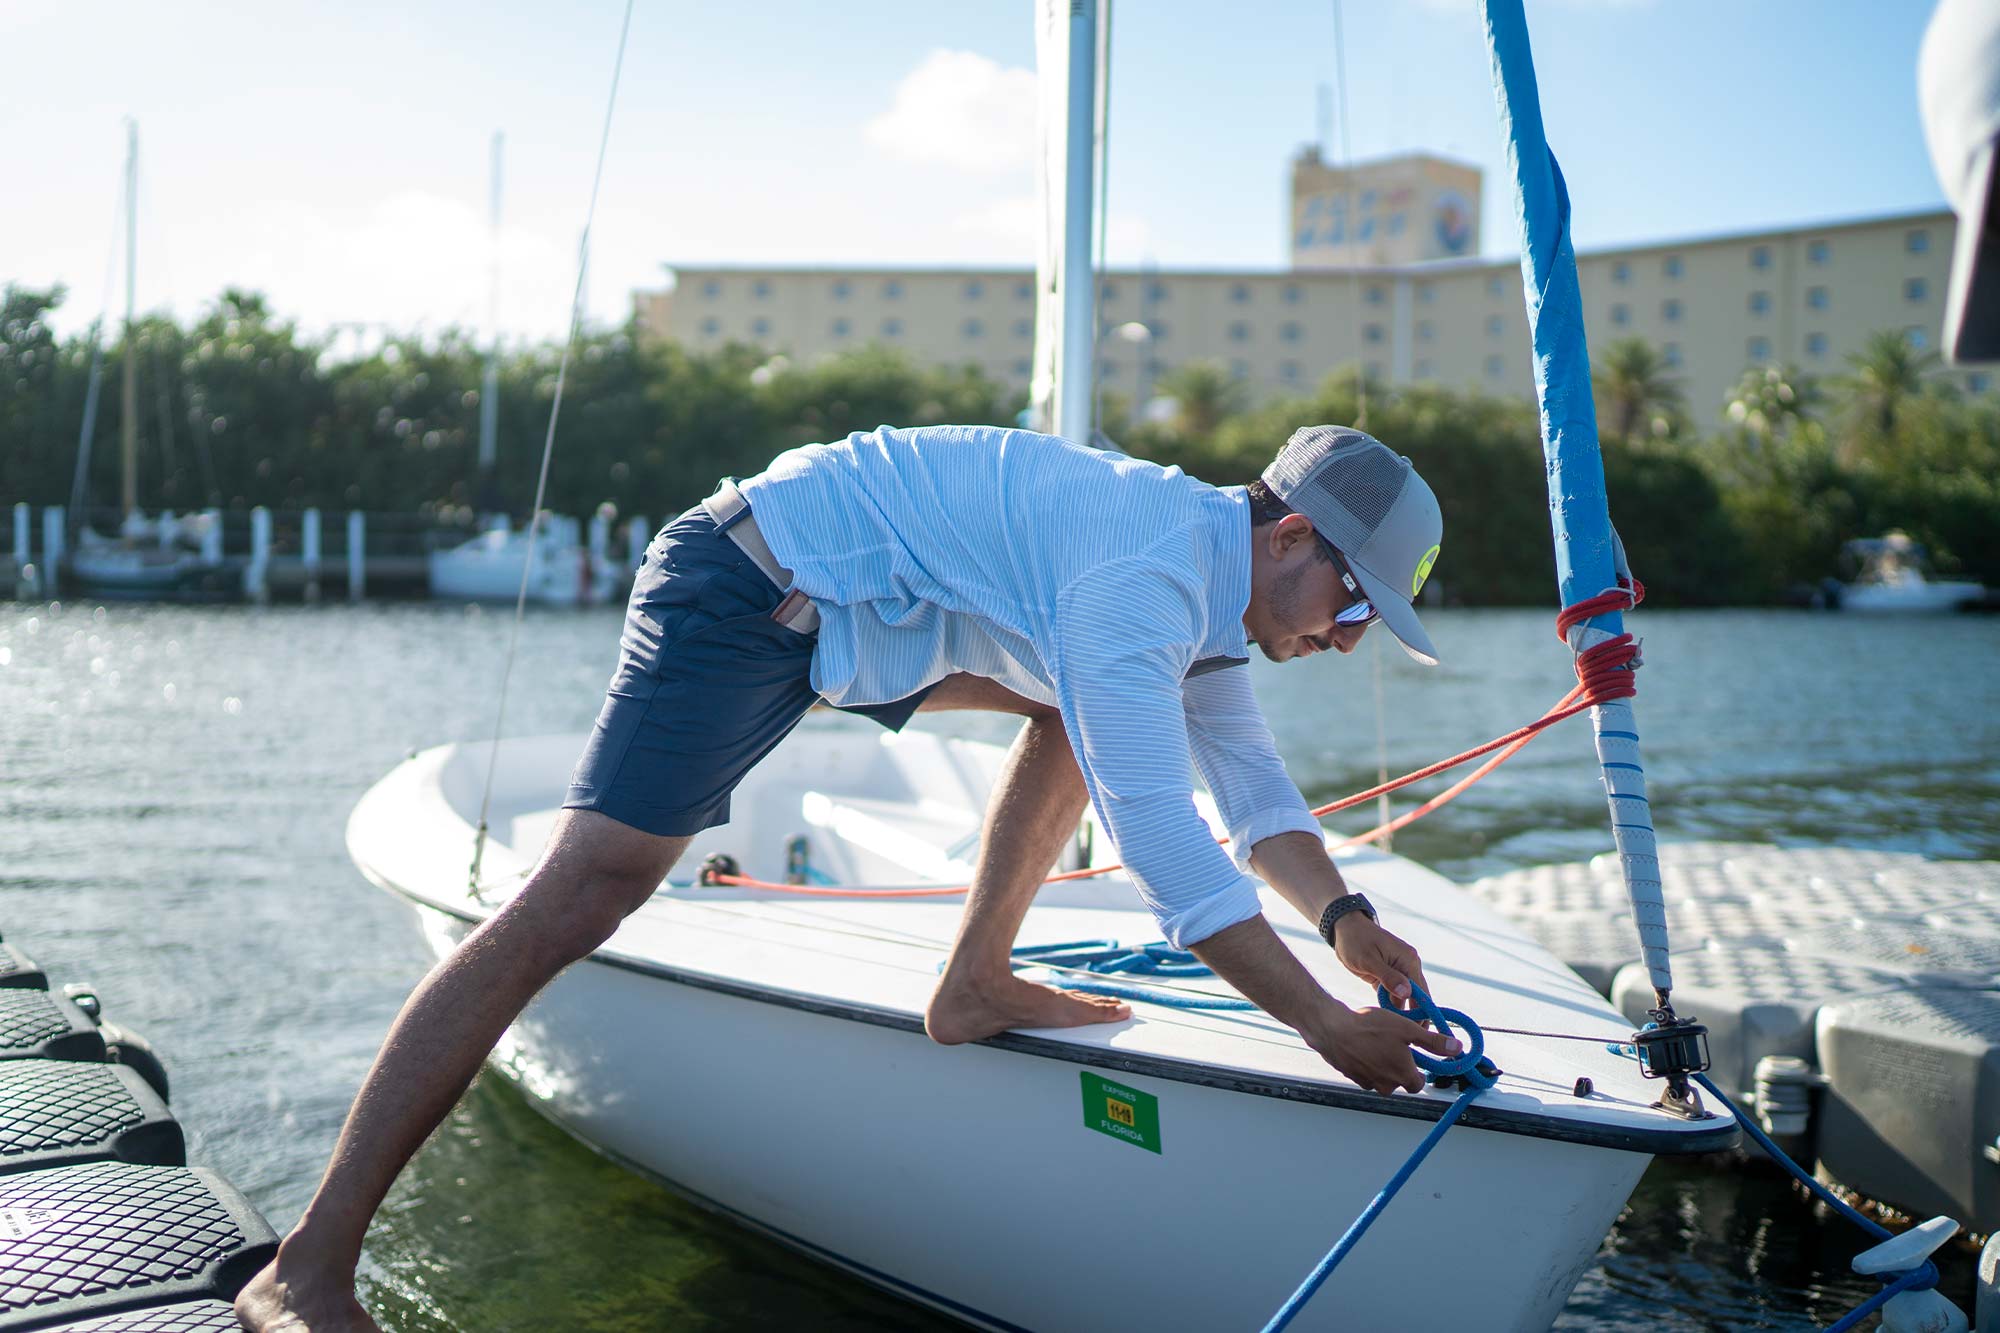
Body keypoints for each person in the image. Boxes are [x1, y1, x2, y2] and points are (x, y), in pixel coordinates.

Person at [237, 422, 1459, 1332]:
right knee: (582, 897)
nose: (1345, 638)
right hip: (745, 585)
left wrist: (1342, 920)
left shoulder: (1197, 595)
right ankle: (306, 1269)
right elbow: (1165, 847)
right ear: (1288, 536)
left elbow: (1252, 794)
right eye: (1353, 604)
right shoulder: (1142, 581)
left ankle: (972, 982)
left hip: (859, 612)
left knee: (1070, 711)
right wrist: (1320, 1027)